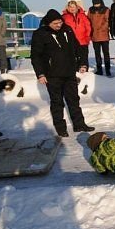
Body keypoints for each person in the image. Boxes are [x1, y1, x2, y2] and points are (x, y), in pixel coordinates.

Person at [31, 9, 95, 137]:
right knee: (57, 102)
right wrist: (40, 74)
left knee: (73, 100)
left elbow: (77, 47)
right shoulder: (40, 34)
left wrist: (82, 63)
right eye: (55, 23)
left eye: (60, 22)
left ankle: (79, 124)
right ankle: (61, 128)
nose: (58, 25)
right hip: (52, 74)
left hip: (69, 72)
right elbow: (35, 56)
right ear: (49, 23)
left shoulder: (68, 30)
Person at [62, 0, 91, 69]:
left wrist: (87, 37)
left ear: (76, 7)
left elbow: (88, 27)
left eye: (73, 7)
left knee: (83, 58)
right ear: (68, 8)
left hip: (82, 40)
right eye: (70, 7)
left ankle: (85, 72)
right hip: (71, 41)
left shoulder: (82, 15)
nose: (72, 8)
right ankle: (74, 71)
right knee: (72, 57)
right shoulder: (64, 17)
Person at [88, 0, 112, 76]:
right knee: (97, 54)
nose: (96, 5)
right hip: (94, 36)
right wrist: (91, 30)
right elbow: (88, 20)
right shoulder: (90, 10)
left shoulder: (106, 9)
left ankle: (108, 70)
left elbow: (107, 21)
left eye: (97, 4)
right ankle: (99, 70)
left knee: (106, 53)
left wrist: (100, 28)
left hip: (104, 35)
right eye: (95, 4)